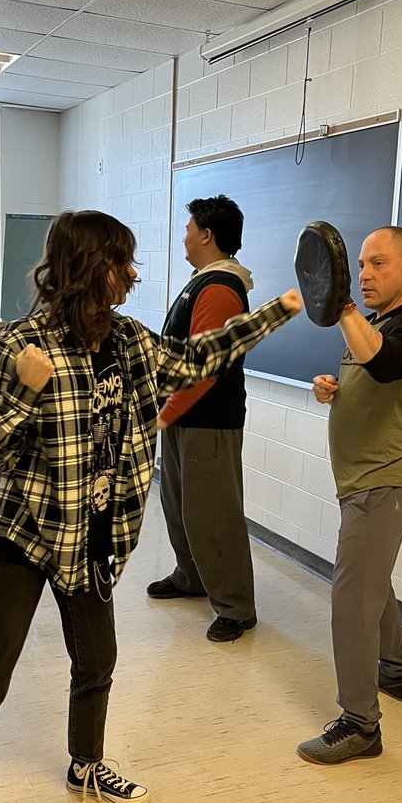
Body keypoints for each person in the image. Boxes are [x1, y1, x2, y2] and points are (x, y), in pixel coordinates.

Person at [0, 209, 301, 803]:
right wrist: (28, 391)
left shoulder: (129, 342)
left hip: (94, 537)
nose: (133, 275)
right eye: (121, 262)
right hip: (24, 537)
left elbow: (197, 359)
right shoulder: (19, 347)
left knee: (97, 661)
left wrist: (276, 312)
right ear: (88, 269)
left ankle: (85, 765)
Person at [297, 226, 402, 765]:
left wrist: (342, 306)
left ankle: (360, 725)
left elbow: (385, 364)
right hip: (361, 480)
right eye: (359, 265)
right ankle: (396, 672)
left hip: (384, 481)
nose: (363, 274)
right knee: (371, 582)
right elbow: (370, 381)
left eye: (378, 263)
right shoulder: (376, 323)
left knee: (352, 596)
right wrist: (330, 389)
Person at [146, 195, 258, 643]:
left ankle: (236, 607)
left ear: (207, 234)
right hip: (184, 418)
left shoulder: (220, 287)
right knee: (179, 505)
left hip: (208, 421)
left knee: (212, 514)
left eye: (189, 229)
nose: (185, 237)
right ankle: (191, 576)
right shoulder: (203, 281)